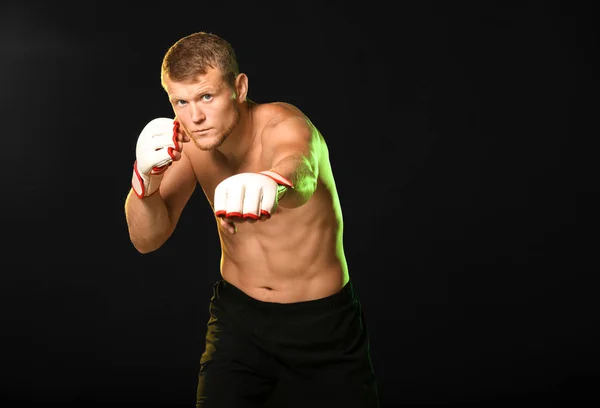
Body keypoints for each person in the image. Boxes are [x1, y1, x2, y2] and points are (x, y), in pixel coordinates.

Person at [124, 31, 380, 408]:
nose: (195, 116)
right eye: (181, 101)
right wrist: (144, 182)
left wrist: (271, 183)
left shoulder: (284, 124)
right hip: (238, 322)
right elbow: (147, 239)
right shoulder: (191, 144)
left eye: (207, 96)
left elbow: (301, 173)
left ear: (239, 88)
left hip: (322, 326)